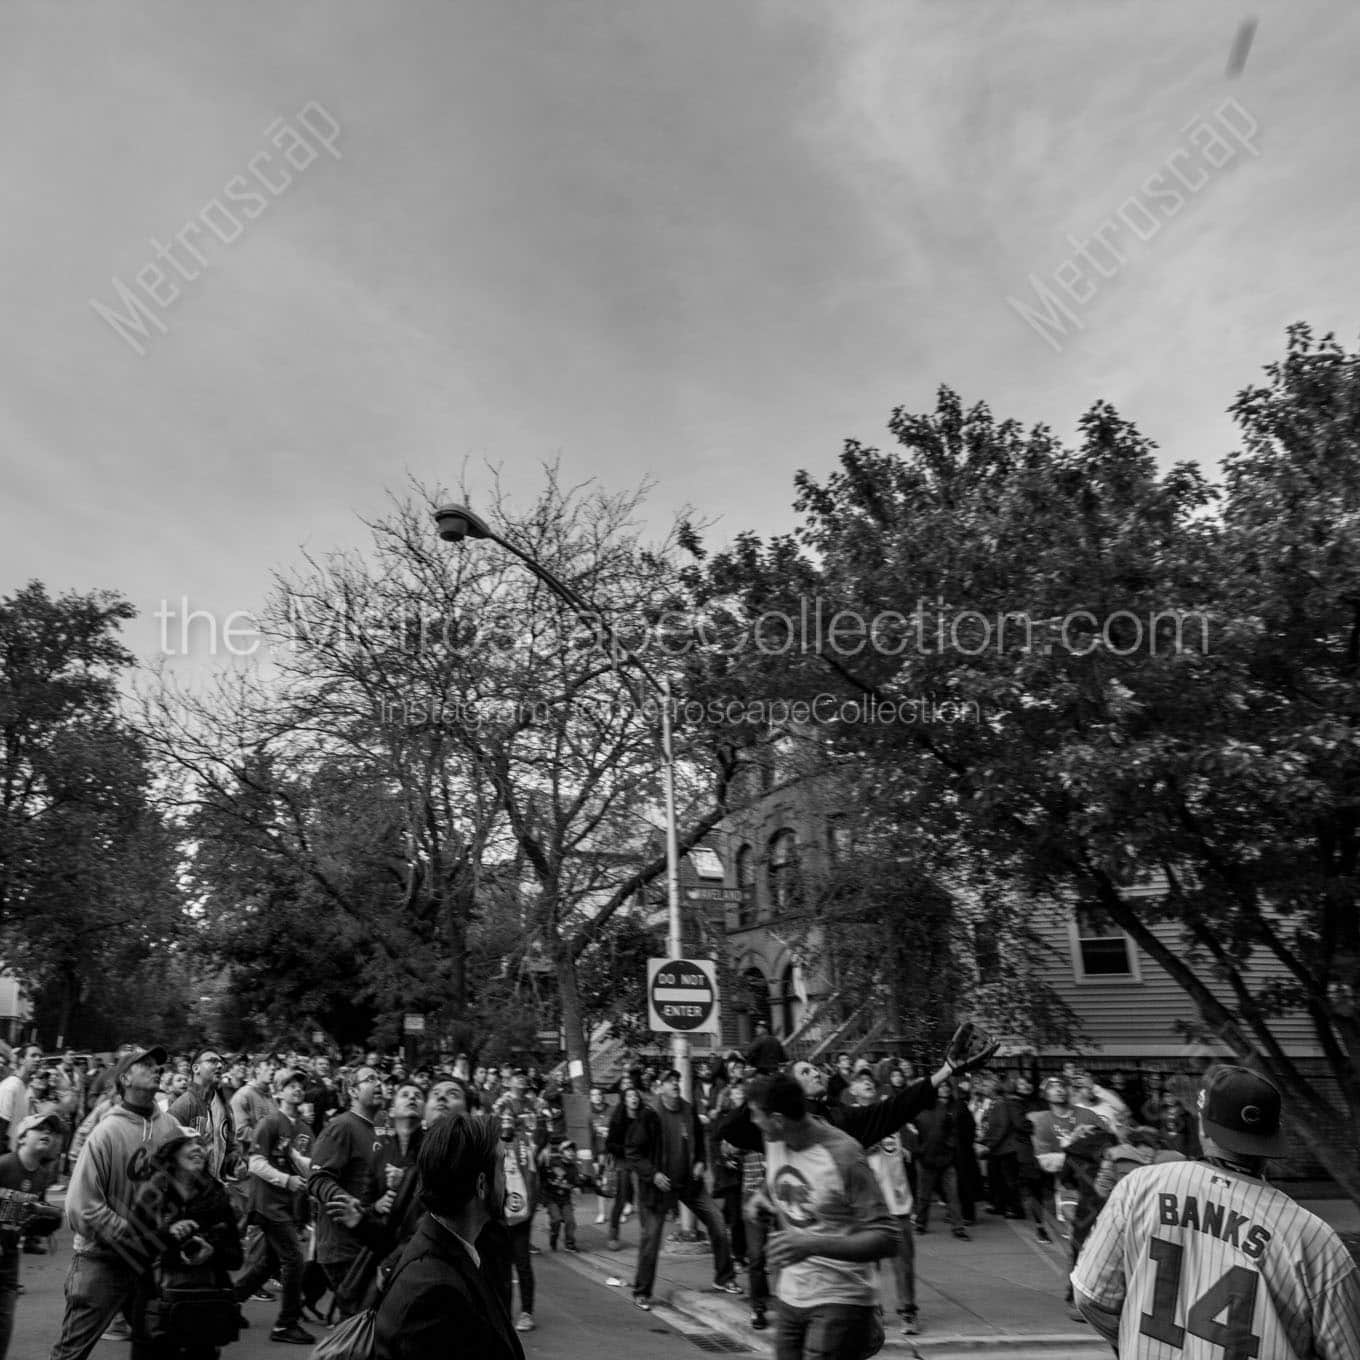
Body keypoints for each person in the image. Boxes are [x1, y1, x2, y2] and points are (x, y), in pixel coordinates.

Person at [1072, 1065, 1360, 1358]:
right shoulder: (1316, 1242)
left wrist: (1132, 1340)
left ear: (1202, 1128)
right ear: (1273, 1140)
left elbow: (1089, 1296)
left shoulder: (1139, 1188)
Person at [745, 1073, 899, 1360]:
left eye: (756, 1115)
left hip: (841, 1298)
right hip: (791, 1296)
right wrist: (762, 1196)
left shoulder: (844, 1155)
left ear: (778, 1119)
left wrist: (810, 1244)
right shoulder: (775, 1140)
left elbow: (887, 1237)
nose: (753, 1122)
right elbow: (785, 1175)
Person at [50, 1045, 180, 1360]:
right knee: (71, 1354)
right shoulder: (106, 1132)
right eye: (146, 1065)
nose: (156, 1069)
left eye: (157, 1065)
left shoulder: (169, 1128)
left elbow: (182, 1187)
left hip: (148, 1263)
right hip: (101, 1262)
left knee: (157, 1348)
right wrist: (133, 1235)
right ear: (124, 1078)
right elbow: (81, 1206)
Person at [372, 1113, 526, 1360]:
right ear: (482, 1185)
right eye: (501, 1167)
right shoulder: (435, 1295)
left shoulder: (451, 1251)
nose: (506, 1178)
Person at [625, 1070, 743, 1310]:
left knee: (718, 1222)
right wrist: (654, 1174)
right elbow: (633, 1153)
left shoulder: (688, 1110)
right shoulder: (650, 1114)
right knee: (651, 1239)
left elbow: (700, 1144)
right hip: (659, 1187)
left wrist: (700, 1162)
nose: (676, 1084)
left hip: (689, 1183)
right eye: (670, 1082)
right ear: (660, 1088)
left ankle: (724, 1277)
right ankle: (642, 1291)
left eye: (677, 1080)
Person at [127, 1128, 243, 1360]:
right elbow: (132, 1250)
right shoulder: (151, 1194)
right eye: (189, 1144)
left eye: (200, 1144)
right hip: (156, 1309)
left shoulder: (218, 1195)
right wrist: (168, 1235)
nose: (198, 1148)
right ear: (172, 1153)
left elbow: (236, 1258)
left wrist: (212, 1251)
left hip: (203, 1311)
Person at [230, 1068, 313, 1345]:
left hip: (287, 1206)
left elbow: (302, 1162)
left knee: (269, 1263)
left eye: (300, 1085)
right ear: (278, 1092)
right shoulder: (269, 1122)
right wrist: (287, 1180)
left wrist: (305, 1171)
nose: (297, 1089)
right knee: (293, 1259)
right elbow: (255, 1163)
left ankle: (227, 1304)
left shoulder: (302, 1127)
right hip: (268, 1204)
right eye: (290, 1085)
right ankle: (285, 1324)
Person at [307, 1064, 384, 1310]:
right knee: (361, 1325)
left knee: (363, 1327)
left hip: (366, 1243)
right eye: (370, 1079)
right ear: (352, 1091)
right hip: (344, 1248)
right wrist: (347, 1201)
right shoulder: (342, 1127)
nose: (379, 1083)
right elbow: (317, 1179)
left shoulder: (377, 1130)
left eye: (380, 1079)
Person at [0, 1112, 64, 1357]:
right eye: (40, 1128)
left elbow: (22, 1217)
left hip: (8, 1263)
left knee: (3, 1331)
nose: (47, 1133)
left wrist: (45, 1220)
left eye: (51, 1130)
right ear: (23, 1137)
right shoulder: (5, 1165)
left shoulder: (41, 1176)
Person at [167, 1052, 238, 1184]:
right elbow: (168, 1153)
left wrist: (234, 1161)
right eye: (212, 1061)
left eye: (220, 1062)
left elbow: (229, 1145)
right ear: (196, 1069)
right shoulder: (182, 1106)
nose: (219, 1065)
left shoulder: (223, 1105)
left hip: (218, 1186)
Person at [911, 1078, 969, 1239]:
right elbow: (910, 1131)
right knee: (924, 1194)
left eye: (946, 1086)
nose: (943, 1089)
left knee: (952, 1194)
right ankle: (921, 1223)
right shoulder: (920, 1109)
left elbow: (953, 1132)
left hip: (943, 1158)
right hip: (927, 1158)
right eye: (940, 1086)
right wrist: (919, 1149)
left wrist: (949, 1148)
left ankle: (958, 1227)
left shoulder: (947, 1108)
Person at [604, 1087, 641, 1250]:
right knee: (621, 1198)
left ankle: (648, 1234)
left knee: (644, 1199)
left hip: (641, 1163)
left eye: (636, 1095)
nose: (634, 1098)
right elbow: (610, 1144)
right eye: (630, 1096)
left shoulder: (644, 1117)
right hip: (624, 1163)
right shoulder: (618, 1119)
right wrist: (624, 1150)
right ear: (625, 1100)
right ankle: (613, 1233)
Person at [540, 1138, 578, 1251]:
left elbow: (575, 1182)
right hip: (552, 1198)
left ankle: (569, 1242)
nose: (571, 1152)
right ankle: (554, 1235)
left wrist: (577, 1185)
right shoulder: (555, 1163)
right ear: (562, 1152)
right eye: (568, 1150)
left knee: (570, 1221)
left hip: (565, 1199)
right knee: (556, 1219)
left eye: (573, 1150)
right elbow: (555, 1175)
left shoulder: (574, 1168)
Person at [0, 1047, 41, 1150]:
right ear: (21, 1060)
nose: (38, 1059)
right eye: (33, 1055)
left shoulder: (26, 1088)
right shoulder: (10, 1086)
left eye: (40, 1056)